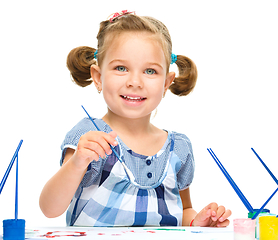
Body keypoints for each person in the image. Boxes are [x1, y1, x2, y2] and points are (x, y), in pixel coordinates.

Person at [39, 10, 231, 227]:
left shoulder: (178, 148)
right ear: (98, 77)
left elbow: (183, 210)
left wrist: (198, 222)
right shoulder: (89, 138)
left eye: (150, 71)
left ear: (166, 83)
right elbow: (50, 208)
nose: (135, 81)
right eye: (121, 68)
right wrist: (77, 163)